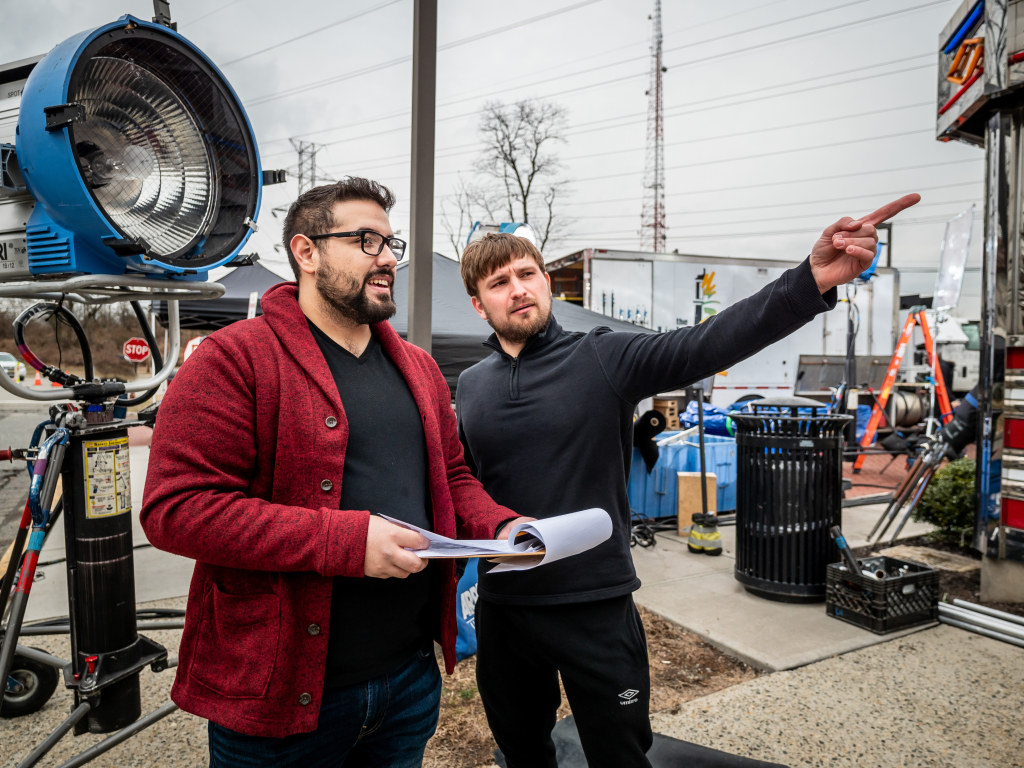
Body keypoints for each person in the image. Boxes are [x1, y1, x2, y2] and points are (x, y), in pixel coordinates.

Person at [455, 194, 921, 768]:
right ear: (479, 304)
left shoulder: (602, 357)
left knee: (620, 756)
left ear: (547, 282)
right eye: (499, 283)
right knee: (521, 752)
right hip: (505, 606)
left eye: (527, 274)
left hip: (595, 605)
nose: (518, 289)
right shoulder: (472, 385)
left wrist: (811, 280)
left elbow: (708, 341)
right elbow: (462, 482)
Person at [141, 177, 523, 768]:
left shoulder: (419, 367)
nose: (387, 258)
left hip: (408, 682)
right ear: (307, 252)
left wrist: (501, 527)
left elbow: (451, 475)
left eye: (391, 244)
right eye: (366, 241)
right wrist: (345, 540)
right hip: (280, 699)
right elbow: (178, 509)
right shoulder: (233, 358)